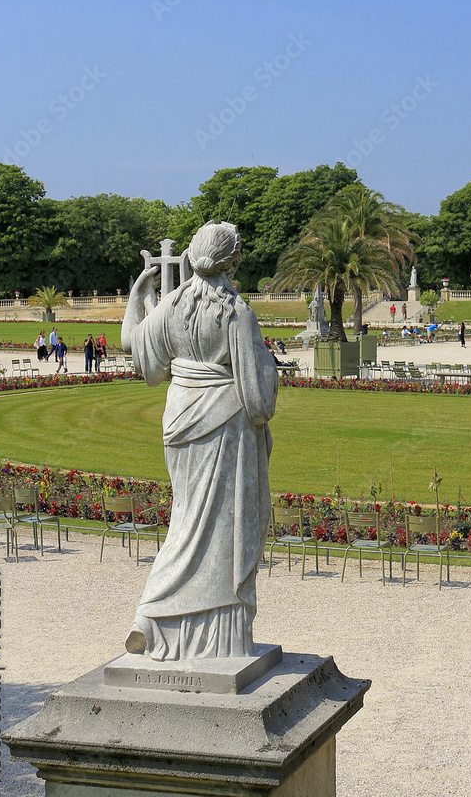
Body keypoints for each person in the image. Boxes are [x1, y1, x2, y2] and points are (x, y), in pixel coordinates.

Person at [121, 219, 278, 661]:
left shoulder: (170, 306)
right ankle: (206, 632)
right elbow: (259, 402)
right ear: (233, 261)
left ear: (190, 256)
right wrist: (268, 363)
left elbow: (135, 349)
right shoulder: (236, 313)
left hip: (180, 421)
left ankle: (152, 620)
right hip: (227, 427)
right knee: (220, 530)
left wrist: (137, 296)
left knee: (186, 521)